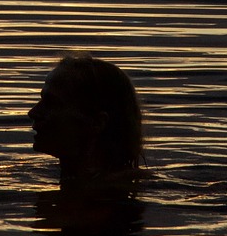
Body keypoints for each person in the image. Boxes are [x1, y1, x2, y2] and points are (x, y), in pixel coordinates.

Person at [29, 51, 143, 184]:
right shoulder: (85, 185)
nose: (33, 112)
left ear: (97, 123)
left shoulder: (105, 195)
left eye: (52, 103)